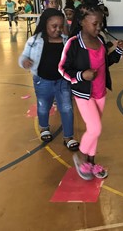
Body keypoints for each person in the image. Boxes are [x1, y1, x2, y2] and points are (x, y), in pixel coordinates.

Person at [58, 6, 123, 180]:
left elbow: (105, 63)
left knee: (93, 130)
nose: (99, 27)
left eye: (101, 23)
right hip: (83, 93)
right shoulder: (73, 43)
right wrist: (82, 75)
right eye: (95, 23)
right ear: (82, 22)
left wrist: (118, 51)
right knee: (95, 128)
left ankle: (91, 163)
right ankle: (80, 156)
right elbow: (62, 69)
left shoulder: (101, 40)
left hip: (100, 92)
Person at [18, 8, 79, 151]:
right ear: (44, 24)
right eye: (54, 26)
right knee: (43, 106)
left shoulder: (66, 41)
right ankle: (44, 127)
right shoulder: (34, 41)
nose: (58, 29)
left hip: (62, 82)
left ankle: (68, 137)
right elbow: (23, 56)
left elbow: (72, 59)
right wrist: (24, 61)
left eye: (61, 26)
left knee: (67, 108)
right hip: (42, 81)